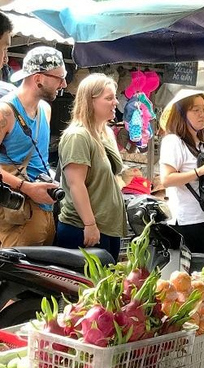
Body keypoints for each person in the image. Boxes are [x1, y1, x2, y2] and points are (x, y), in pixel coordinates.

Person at [0, 47, 66, 247]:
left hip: (44, 210)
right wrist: (27, 187)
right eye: (59, 78)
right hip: (16, 212)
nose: (64, 84)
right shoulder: (5, 112)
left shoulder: (45, 109)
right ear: (39, 78)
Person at [55, 74, 126, 259]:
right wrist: (89, 224)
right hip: (83, 228)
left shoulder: (106, 132)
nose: (115, 102)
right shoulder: (78, 136)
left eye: (115, 97)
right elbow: (76, 184)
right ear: (89, 101)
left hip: (107, 227)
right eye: (109, 98)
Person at [160, 91, 204, 255]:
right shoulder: (173, 141)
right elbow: (167, 179)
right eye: (195, 110)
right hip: (187, 220)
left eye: (203, 109)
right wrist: (200, 171)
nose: (202, 114)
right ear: (182, 114)